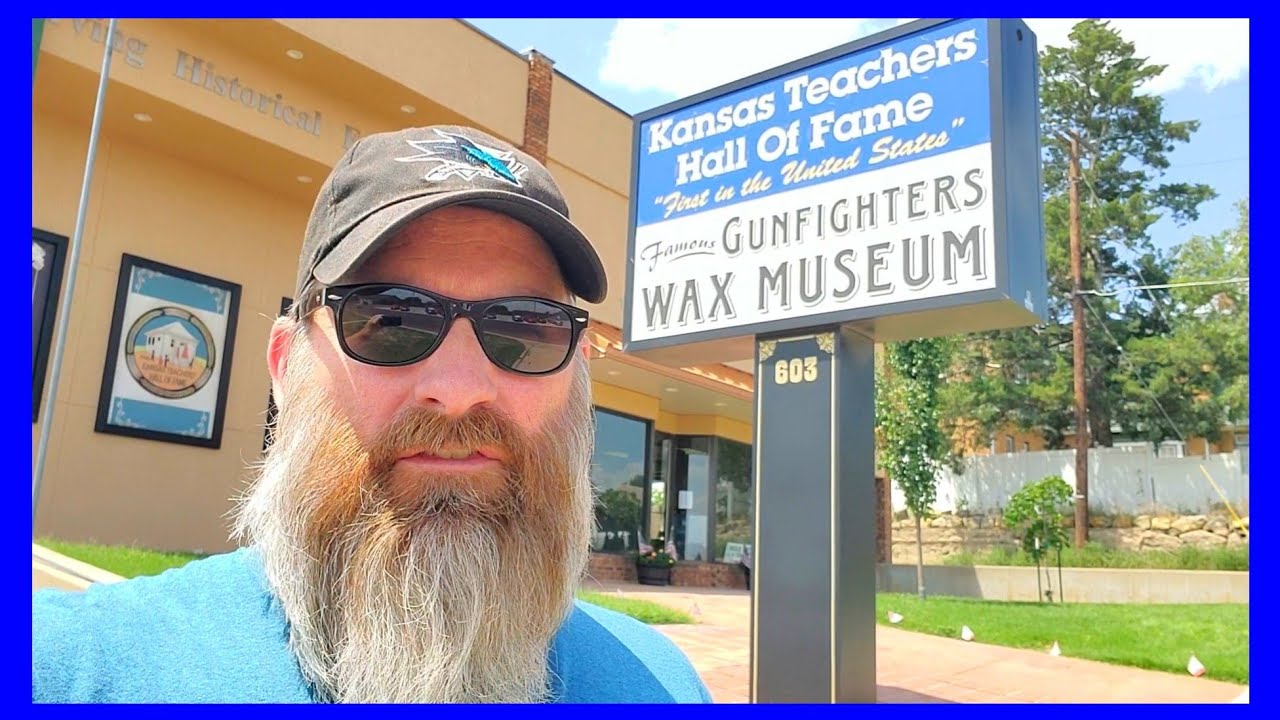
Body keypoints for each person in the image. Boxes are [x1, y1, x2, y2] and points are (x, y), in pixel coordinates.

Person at [32, 125, 713, 704]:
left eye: (524, 328)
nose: (459, 387)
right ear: (282, 366)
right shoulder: (66, 671)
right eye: (390, 318)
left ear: (578, 373)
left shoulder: (663, 685)